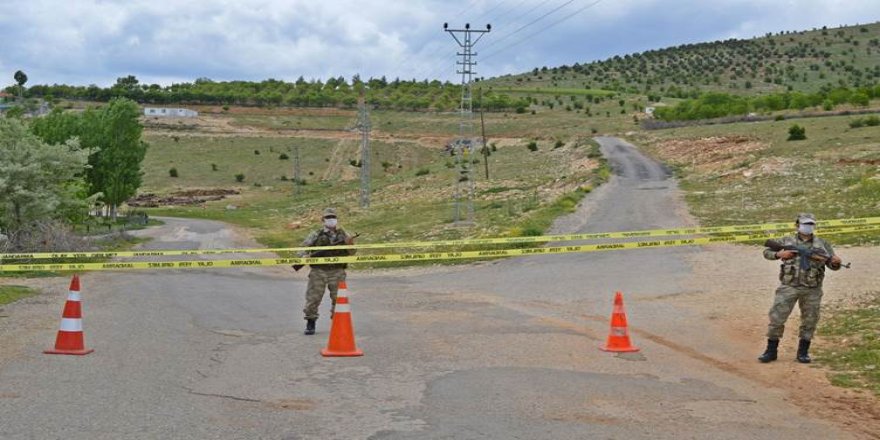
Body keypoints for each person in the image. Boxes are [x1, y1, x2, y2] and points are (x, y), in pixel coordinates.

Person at [758, 213, 842, 363]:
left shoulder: (822, 244)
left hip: (812, 288)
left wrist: (836, 262)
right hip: (788, 286)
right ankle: (771, 351)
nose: (808, 227)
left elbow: (831, 265)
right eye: (805, 224)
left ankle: (803, 352)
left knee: (810, 320)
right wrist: (779, 254)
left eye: (811, 224)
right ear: (797, 225)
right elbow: (767, 252)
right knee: (777, 318)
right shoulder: (786, 240)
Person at [299, 208, 356, 335]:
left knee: (339, 299)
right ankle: (310, 322)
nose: (331, 220)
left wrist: (350, 244)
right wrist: (303, 257)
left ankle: (338, 323)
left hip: (337, 270)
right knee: (313, 298)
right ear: (323, 220)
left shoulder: (344, 234)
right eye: (328, 218)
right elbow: (303, 248)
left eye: (333, 217)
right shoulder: (317, 234)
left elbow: (352, 252)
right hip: (319, 271)